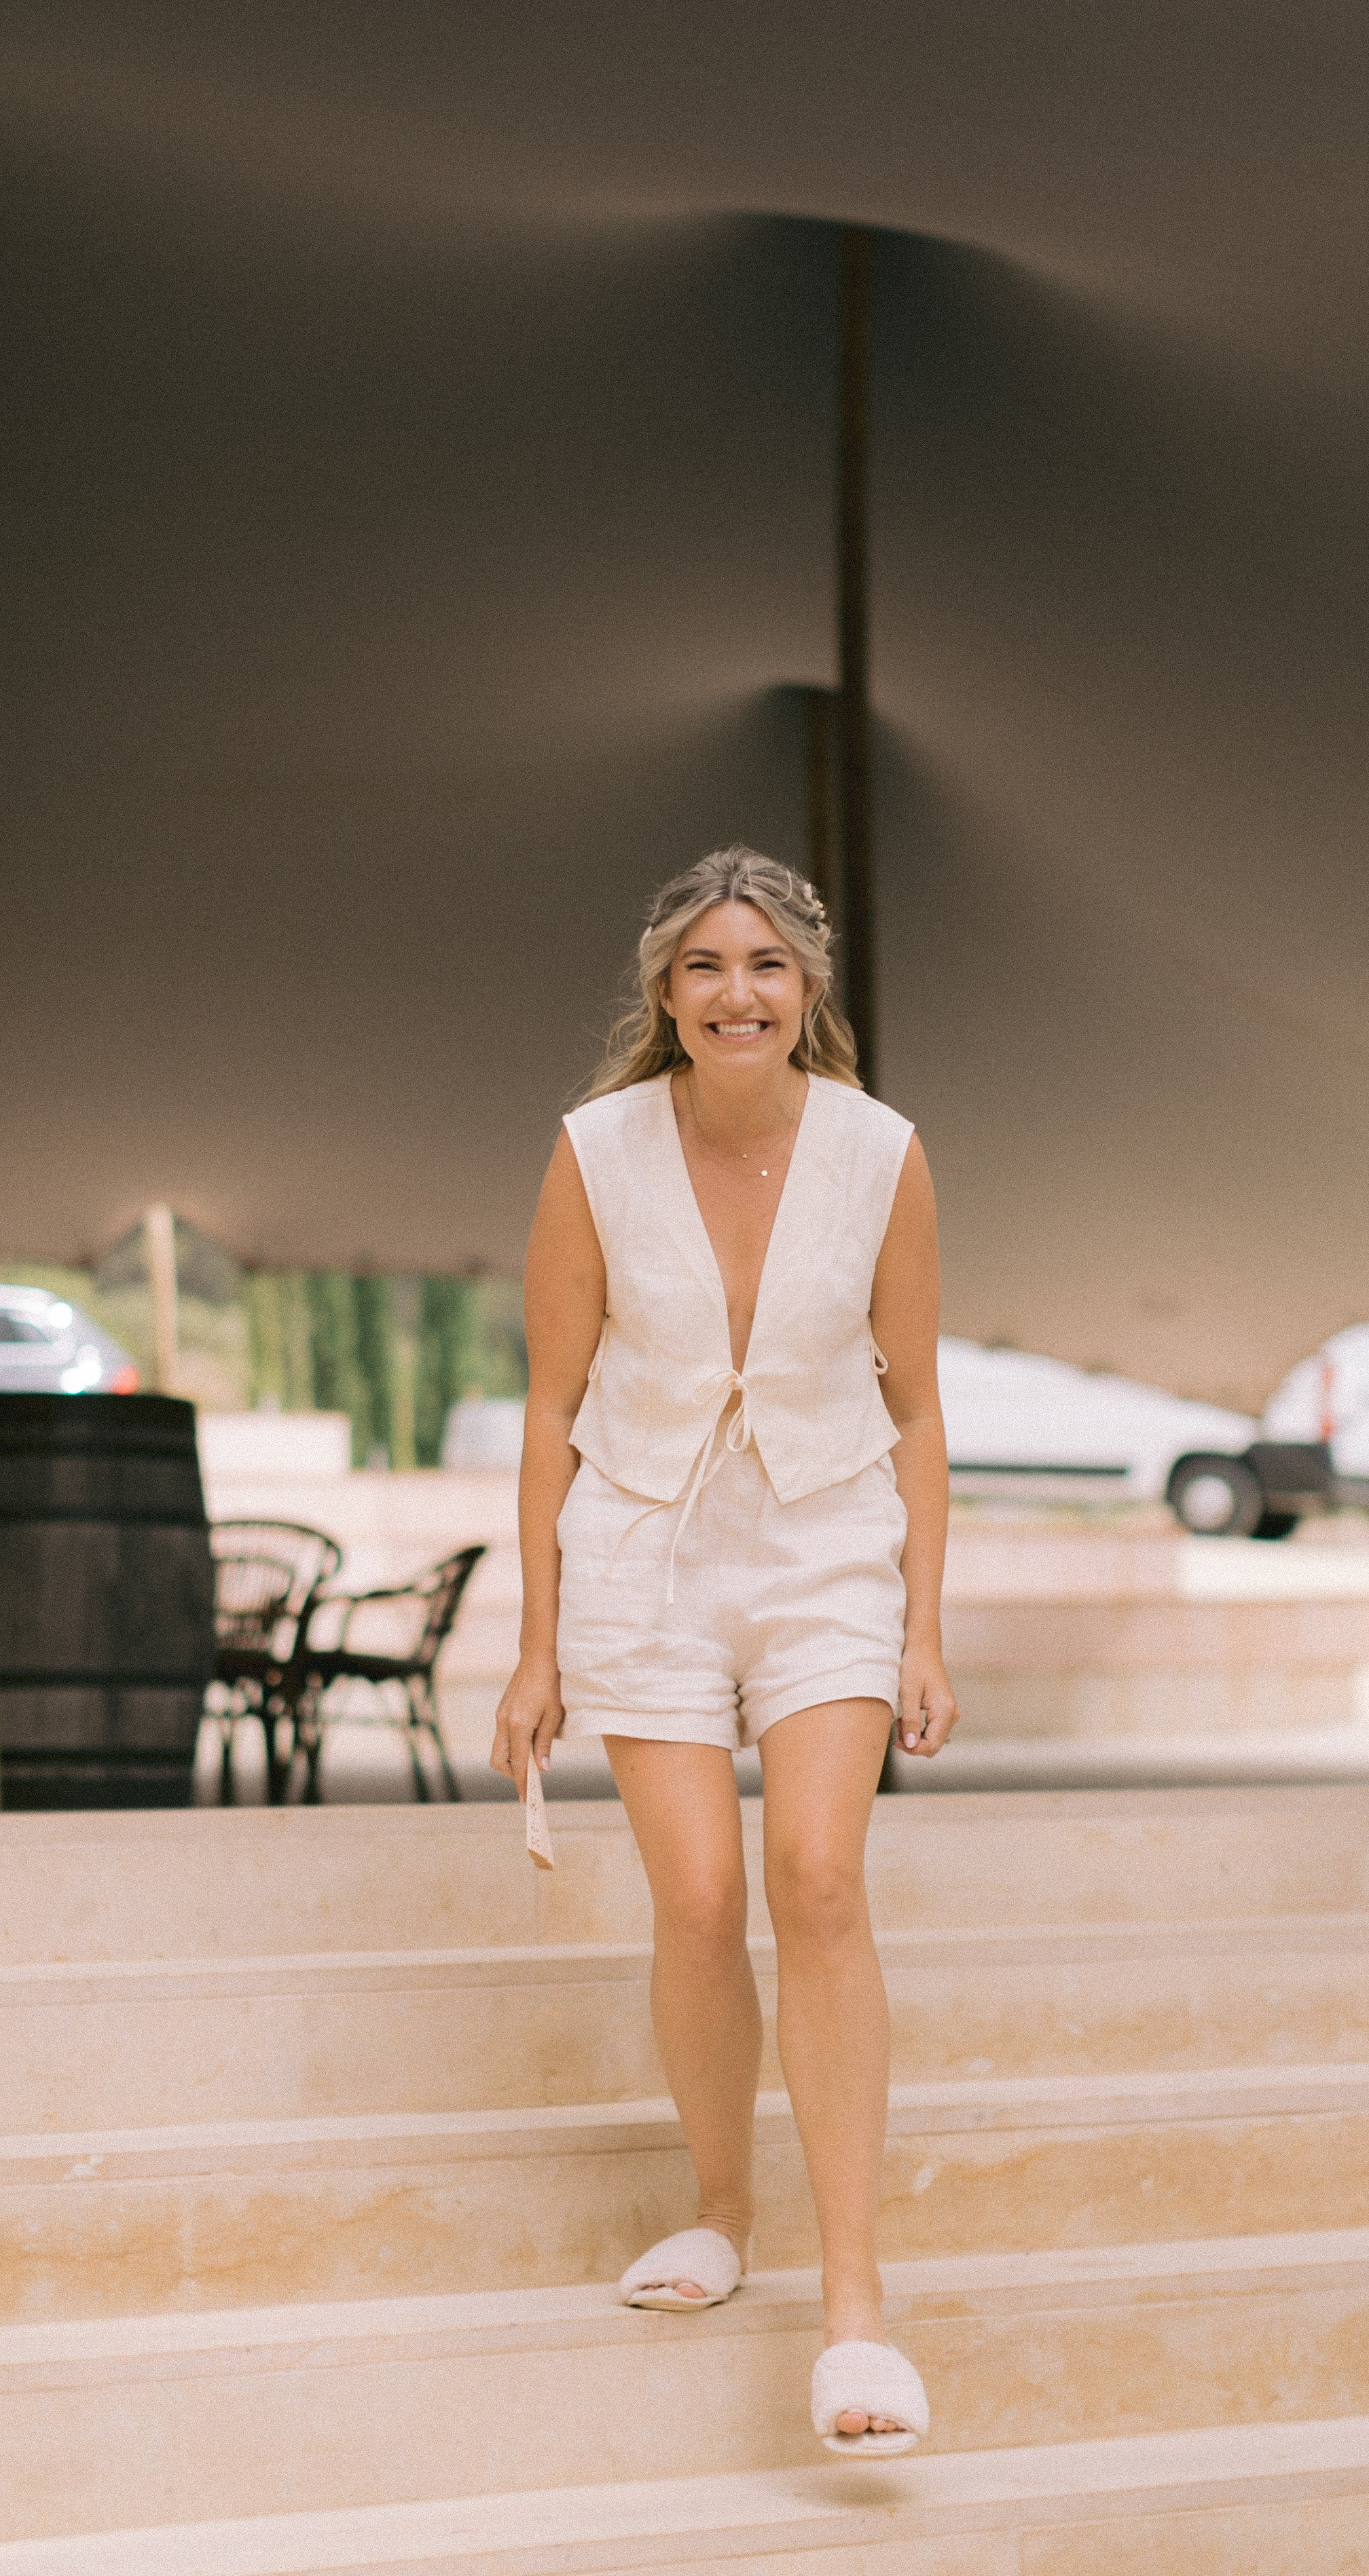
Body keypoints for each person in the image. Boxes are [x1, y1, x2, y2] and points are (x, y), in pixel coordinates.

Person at [492, 843, 957, 2457]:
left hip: (827, 1545)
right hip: (640, 1550)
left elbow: (914, 1404)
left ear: (806, 987)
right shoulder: (593, 1153)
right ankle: (716, 2210)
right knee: (694, 1896)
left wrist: (924, 1627)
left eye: (762, 964)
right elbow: (551, 1408)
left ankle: (853, 2312)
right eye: (702, 966)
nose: (733, 992)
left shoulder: (881, 1153)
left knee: (814, 1881)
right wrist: (535, 1644)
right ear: (661, 991)